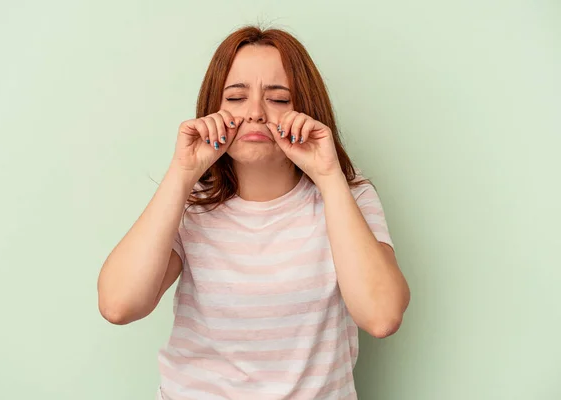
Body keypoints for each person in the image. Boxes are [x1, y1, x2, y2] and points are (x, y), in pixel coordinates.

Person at [97, 25, 410, 400]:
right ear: (214, 107)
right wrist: (182, 173)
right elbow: (119, 305)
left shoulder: (348, 195)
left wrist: (328, 177)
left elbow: (382, 316)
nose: (256, 113)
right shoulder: (191, 201)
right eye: (236, 97)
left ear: (306, 109)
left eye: (279, 99)